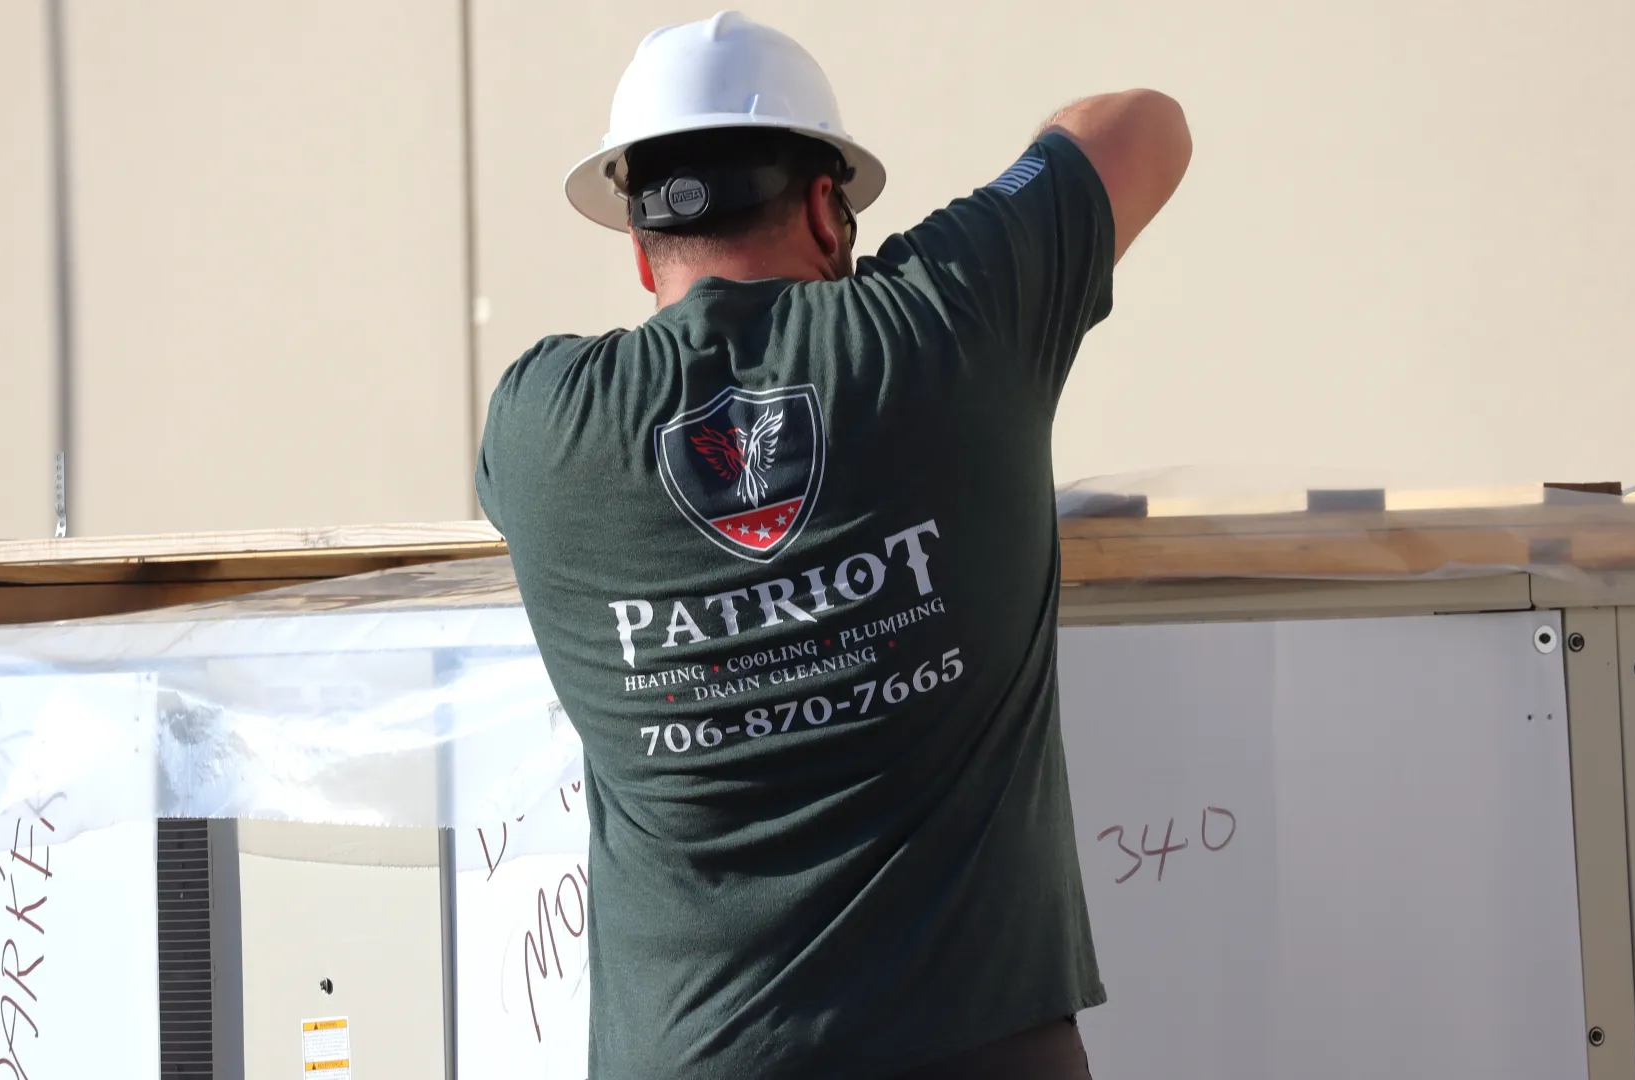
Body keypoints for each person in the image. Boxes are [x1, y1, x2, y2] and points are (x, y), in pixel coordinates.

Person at [476, 10, 1191, 1079]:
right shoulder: (949, 324)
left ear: (640, 250)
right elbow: (1144, 126)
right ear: (826, 207)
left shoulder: (543, 427)